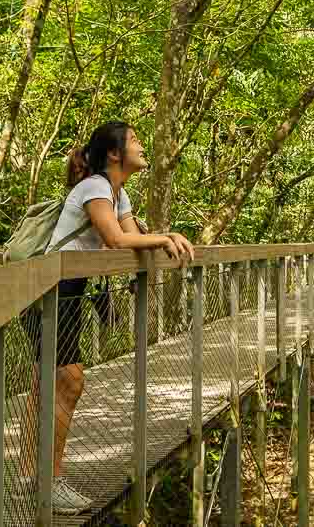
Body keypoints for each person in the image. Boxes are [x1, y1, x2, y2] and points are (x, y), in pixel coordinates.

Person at [22, 121, 193, 514]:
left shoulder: (119, 194)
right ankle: (50, 482)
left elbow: (129, 237)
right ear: (114, 154)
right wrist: (166, 237)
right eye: (134, 140)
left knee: (47, 381)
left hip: (66, 289)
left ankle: (34, 475)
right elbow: (117, 239)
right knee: (69, 379)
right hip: (48, 288)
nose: (142, 145)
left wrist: (158, 237)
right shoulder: (95, 186)